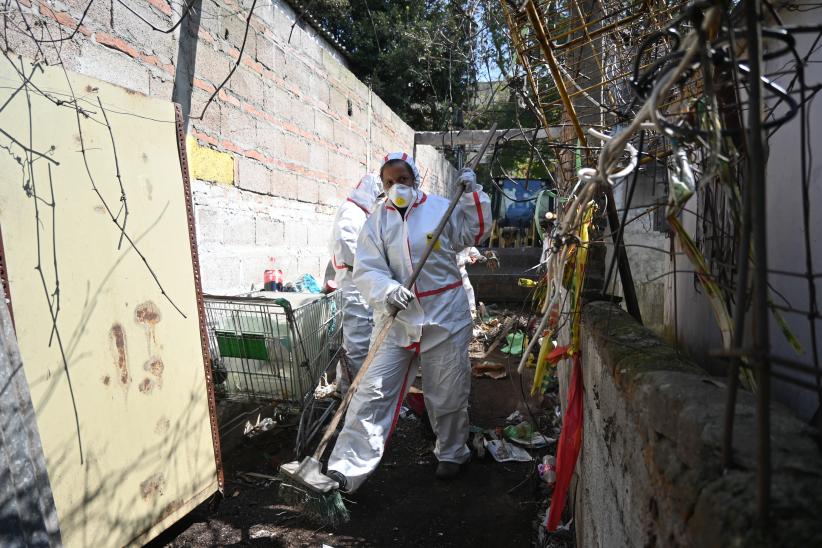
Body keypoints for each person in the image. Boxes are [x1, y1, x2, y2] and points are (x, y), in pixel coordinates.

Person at [326, 152, 491, 492]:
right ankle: (346, 470)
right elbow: (367, 268)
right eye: (388, 182)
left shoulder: (441, 209)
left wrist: (473, 195)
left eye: (402, 179)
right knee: (372, 392)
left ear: (414, 179)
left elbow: (474, 232)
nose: (396, 186)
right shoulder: (376, 221)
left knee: (446, 390)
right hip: (397, 318)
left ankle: (452, 452)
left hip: (443, 315)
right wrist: (387, 290)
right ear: (381, 186)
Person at [329, 173, 383, 394]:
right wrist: (371, 265)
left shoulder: (361, 213)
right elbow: (346, 245)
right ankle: (353, 396)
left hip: (361, 284)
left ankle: (351, 391)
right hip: (354, 286)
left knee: (360, 343)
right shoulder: (352, 212)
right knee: (357, 346)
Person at [456, 247, 483, 319]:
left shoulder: (464, 240)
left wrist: (479, 256)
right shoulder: (450, 241)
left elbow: (470, 248)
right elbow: (454, 259)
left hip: (461, 271)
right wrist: (468, 259)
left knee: (468, 288)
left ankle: (472, 313)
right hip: (450, 272)